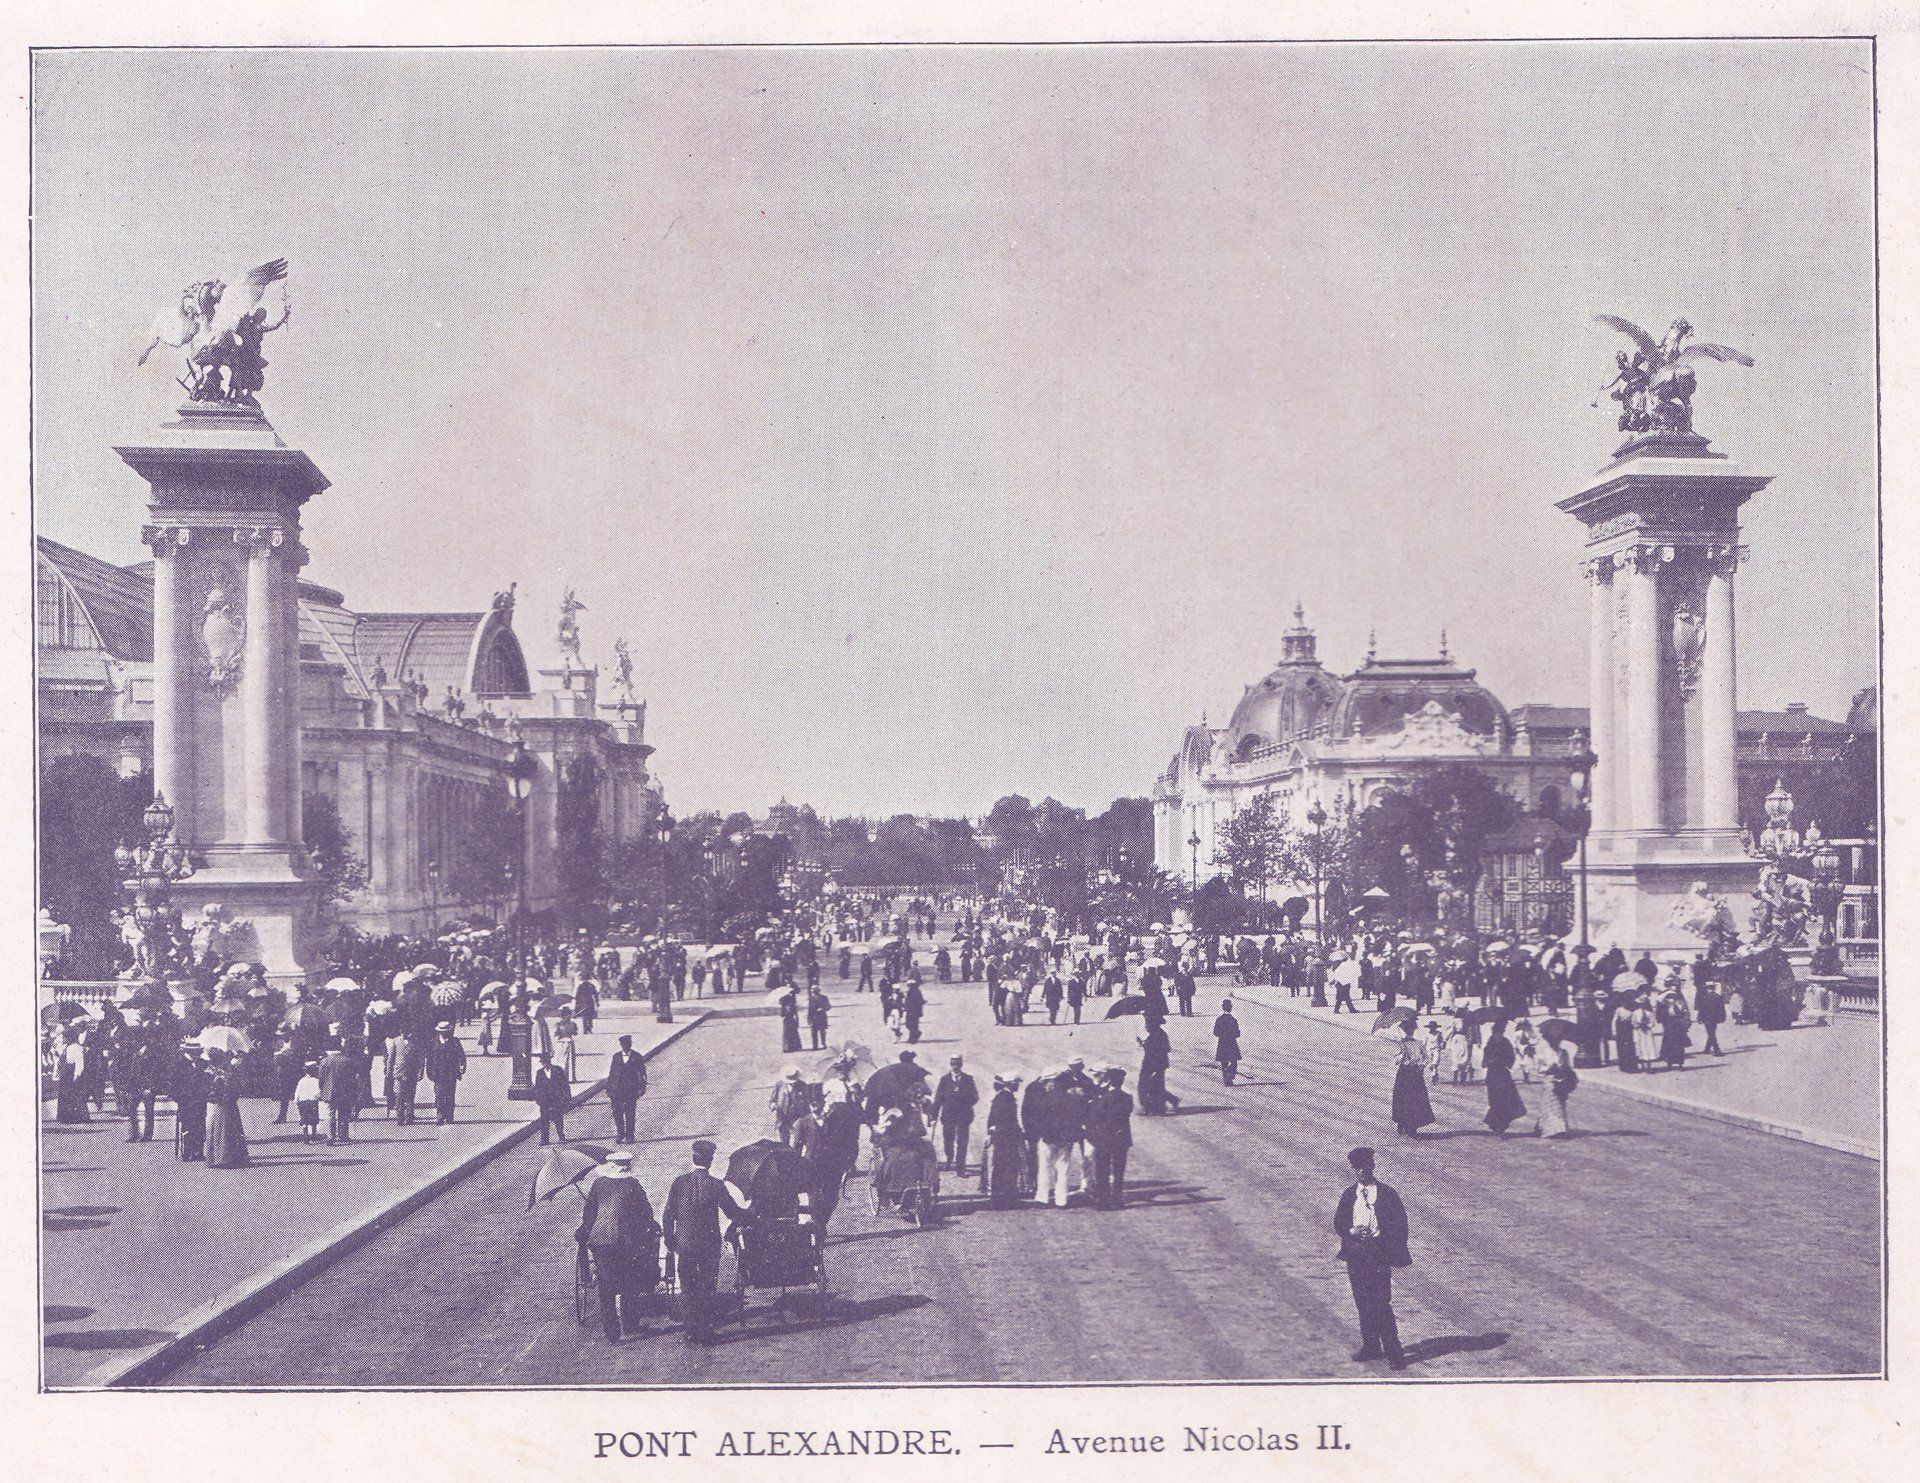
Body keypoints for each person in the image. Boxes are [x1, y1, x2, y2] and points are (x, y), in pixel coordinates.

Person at [1333, 1146, 1411, 1370]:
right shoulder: (1350, 1195)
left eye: (1366, 1167)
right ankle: (1371, 1346)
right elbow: (1339, 1222)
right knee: (1362, 1301)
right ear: (1353, 1169)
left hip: (1377, 1255)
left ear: (1372, 1167)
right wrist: (1351, 1232)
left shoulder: (1387, 1194)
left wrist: (1389, 1249)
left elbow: (1400, 1224)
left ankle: (1395, 1353)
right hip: (1356, 1254)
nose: (1362, 1172)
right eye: (1357, 1168)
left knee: (1381, 1303)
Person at [662, 1139, 747, 1344]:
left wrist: (670, 1240)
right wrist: (748, 1214)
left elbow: (668, 1214)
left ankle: (691, 1329)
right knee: (708, 1286)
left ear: (693, 1159)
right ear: (710, 1161)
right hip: (708, 1245)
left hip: (685, 1244)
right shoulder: (716, 1185)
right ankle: (705, 1330)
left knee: (688, 1285)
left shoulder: (679, 1183)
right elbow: (733, 1212)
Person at [576, 1149, 659, 1344]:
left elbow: (589, 1214)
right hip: (625, 1243)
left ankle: (611, 1332)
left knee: (606, 1286)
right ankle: (630, 1324)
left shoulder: (598, 1184)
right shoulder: (632, 1185)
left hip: (600, 1241)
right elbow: (646, 1213)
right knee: (629, 1282)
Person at [1084, 1068, 1134, 1209]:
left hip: (1104, 1138)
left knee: (1102, 1169)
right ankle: (1117, 1198)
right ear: (1122, 1080)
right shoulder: (1127, 1097)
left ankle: (1102, 1200)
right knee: (1118, 1170)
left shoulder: (1104, 1098)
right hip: (1121, 1137)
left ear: (1109, 1080)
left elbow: (1094, 1116)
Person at [980, 1074, 1026, 1209]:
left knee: (1001, 1168)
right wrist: (1018, 1133)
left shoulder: (1001, 1096)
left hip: (1001, 1137)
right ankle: (1004, 1200)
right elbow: (1006, 1120)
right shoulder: (1007, 1097)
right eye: (1016, 1083)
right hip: (1006, 1138)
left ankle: (1000, 1199)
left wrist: (991, 1132)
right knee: (1008, 1168)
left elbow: (991, 1119)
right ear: (1010, 1083)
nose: (1018, 1085)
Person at [931, 1055, 979, 1174]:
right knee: (948, 1139)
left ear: (961, 1064)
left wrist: (963, 1101)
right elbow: (938, 1098)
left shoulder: (968, 1079)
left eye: (957, 1063)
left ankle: (960, 1167)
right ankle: (948, 1161)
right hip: (948, 1115)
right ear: (950, 1064)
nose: (955, 1065)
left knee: (962, 1142)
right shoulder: (944, 1079)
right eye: (953, 1063)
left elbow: (975, 1097)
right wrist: (934, 1114)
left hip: (963, 1116)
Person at [1480, 1019, 1529, 1136]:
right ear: (1494, 1033)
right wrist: (1492, 1060)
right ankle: (1496, 1124)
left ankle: (1500, 1125)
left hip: (1503, 1075)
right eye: (1497, 1033)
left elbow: (1511, 1059)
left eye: (1501, 1033)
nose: (1499, 1035)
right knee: (1495, 1101)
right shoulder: (1489, 1045)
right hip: (1492, 1076)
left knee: (1506, 1100)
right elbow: (1484, 1063)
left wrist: (1503, 1060)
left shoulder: (1506, 1043)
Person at [1390, 1021, 1436, 1137]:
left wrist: (1421, 1065)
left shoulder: (1419, 1043)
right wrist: (1402, 1056)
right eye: (1407, 1029)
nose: (1409, 1031)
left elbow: (1426, 1058)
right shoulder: (1401, 1044)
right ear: (1404, 1031)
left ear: (1413, 1030)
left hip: (1416, 1074)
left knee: (1416, 1099)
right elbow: (1396, 1060)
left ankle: (1413, 1126)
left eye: (1411, 1029)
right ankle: (1402, 1122)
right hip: (1404, 1074)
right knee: (1402, 1098)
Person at [1536, 1027, 1578, 1138]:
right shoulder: (1545, 1052)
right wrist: (1548, 1068)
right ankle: (1550, 1129)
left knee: (1560, 1104)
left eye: (1558, 1041)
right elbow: (1540, 1068)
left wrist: (1563, 1069)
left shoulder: (1563, 1053)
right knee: (1551, 1105)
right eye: (1554, 1040)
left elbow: (1568, 1066)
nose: (1556, 1043)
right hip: (1550, 1081)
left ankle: (1559, 1128)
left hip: (1561, 1080)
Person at [607, 1034, 648, 1143]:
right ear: (621, 1045)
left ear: (630, 1044)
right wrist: (609, 1089)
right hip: (617, 1090)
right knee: (617, 1113)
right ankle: (620, 1134)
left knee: (630, 1113)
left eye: (628, 1044)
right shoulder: (616, 1057)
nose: (626, 1046)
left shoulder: (637, 1056)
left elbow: (642, 1073)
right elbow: (612, 1073)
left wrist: (642, 1088)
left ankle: (630, 1135)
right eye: (623, 1044)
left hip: (631, 1090)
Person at [424, 1022, 467, 1126]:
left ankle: (449, 1116)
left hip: (451, 1073)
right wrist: (429, 1072)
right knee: (439, 1096)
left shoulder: (455, 1042)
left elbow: (461, 1056)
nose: (444, 1034)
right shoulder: (433, 1042)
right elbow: (429, 1059)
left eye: (446, 1032)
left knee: (450, 1096)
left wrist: (462, 1067)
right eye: (442, 1032)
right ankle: (440, 1117)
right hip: (438, 1074)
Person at [316, 1042, 355, 1147]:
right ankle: (343, 1135)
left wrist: (322, 1089)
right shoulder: (347, 1060)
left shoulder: (324, 1061)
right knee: (344, 1113)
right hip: (344, 1091)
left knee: (331, 1113)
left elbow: (320, 1078)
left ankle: (331, 1136)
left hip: (329, 1092)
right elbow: (352, 1078)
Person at [532, 1050, 571, 1145]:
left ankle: (561, 1135)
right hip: (545, 1101)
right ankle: (544, 1140)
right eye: (543, 1063)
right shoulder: (540, 1073)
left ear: (549, 1061)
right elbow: (537, 1087)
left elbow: (565, 1084)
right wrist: (538, 1099)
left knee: (558, 1118)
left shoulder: (558, 1070)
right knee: (544, 1120)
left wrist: (566, 1097)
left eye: (546, 1062)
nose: (545, 1064)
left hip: (556, 1099)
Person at [771, 1067, 811, 1146]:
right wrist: (773, 1105)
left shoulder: (802, 1085)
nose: (791, 1083)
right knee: (783, 1143)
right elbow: (772, 1100)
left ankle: (796, 1157)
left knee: (796, 1142)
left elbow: (808, 1100)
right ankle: (785, 1157)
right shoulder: (779, 1084)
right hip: (783, 1118)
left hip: (797, 1117)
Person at [1656, 985, 1692, 1071]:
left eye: (1674, 997)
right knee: (1669, 1045)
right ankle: (1669, 1064)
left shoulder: (1680, 1004)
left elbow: (1685, 1014)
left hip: (1678, 1026)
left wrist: (1685, 1023)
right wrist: (1668, 991)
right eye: (1670, 997)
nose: (1672, 999)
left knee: (1679, 1046)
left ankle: (1680, 1064)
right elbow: (1659, 999)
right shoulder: (1666, 1005)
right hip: (1669, 1026)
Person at [1213, 998, 1242, 1086]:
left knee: (1224, 1062)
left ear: (1223, 1008)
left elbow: (1215, 1032)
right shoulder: (1233, 1020)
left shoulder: (1219, 1019)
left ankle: (1226, 1080)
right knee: (1234, 1061)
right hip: (1232, 1043)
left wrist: (1223, 1034)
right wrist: (1232, 1034)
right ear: (1230, 1008)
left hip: (1222, 1043)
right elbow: (1237, 1033)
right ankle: (1230, 1075)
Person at [1695, 976, 1726, 1055]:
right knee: (1711, 1033)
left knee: (1711, 1033)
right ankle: (1708, 1049)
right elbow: (1722, 1008)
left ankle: (1716, 1050)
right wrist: (1722, 1017)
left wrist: (1699, 1017)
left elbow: (1701, 1009)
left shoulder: (1703, 997)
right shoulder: (1718, 997)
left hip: (1706, 1018)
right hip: (1714, 1018)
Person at [294, 1061, 322, 1144]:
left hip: (302, 1102)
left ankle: (305, 1134)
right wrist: (319, 1098)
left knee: (304, 1118)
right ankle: (313, 1134)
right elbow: (318, 1092)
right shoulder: (316, 1081)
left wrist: (297, 1101)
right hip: (313, 1101)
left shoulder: (301, 1081)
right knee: (314, 1119)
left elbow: (297, 1092)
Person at [778, 989, 802, 1054]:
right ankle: (789, 1047)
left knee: (790, 1033)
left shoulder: (792, 1000)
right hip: (788, 1019)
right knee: (789, 1033)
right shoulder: (786, 1000)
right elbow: (781, 1002)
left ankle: (791, 1047)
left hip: (790, 1018)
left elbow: (795, 1011)